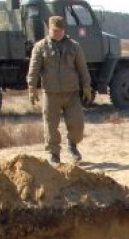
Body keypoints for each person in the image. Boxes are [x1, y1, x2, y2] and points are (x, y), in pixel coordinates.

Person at [27, 15, 93, 165]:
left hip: (71, 93)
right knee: (50, 126)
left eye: (60, 31)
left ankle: (72, 145)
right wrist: (32, 87)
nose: (57, 33)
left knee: (78, 125)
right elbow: (34, 69)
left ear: (64, 30)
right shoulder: (40, 47)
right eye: (54, 31)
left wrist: (86, 87)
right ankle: (54, 154)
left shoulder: (74, 46)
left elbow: (83, 69)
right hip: (51, 93)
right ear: (49, 30)